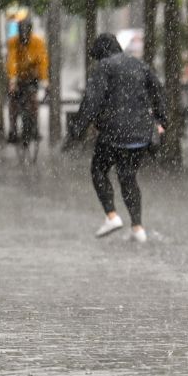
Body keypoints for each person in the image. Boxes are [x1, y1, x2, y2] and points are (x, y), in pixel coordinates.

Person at [71, 33, 166, 243]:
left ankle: (111, 215)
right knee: (128, 176)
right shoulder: (140, 65)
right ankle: (138, 228)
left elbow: (92, 101)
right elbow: (158, 91)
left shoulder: (104, 67)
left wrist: (77, 129)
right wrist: (161, 121)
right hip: (141, 134)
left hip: (114, 133)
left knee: (98, 169)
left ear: (101, 53)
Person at [6, 17, 49, 143]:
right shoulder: (13, 42)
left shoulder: (38, 42)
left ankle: (34, 127)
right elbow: (12, 61)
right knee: (13, 102)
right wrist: (13, 81)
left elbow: (42, 62)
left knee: (33, 99)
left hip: (31, 77)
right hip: (17, 77)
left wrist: (45, 81)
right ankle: (13, 129)